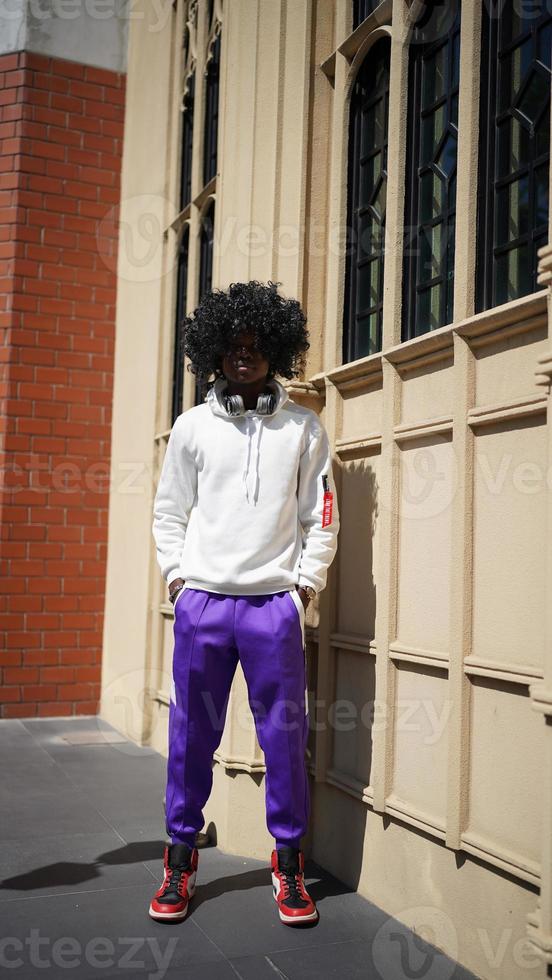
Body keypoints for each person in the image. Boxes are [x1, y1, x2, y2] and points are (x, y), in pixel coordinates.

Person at [149, 280, 340, 926]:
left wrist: (302, 588)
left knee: (284, 739)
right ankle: (179, 858)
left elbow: (323, 516)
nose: (243, 357)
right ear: (216, 352)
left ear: (276, 352)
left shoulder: (303, 429)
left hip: (271, 610)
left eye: (256, 347)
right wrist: (180, 580)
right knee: (189, 737)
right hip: (204, 604)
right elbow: (168, 512)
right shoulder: (192, 427)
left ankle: (289, 866)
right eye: (233, 346)